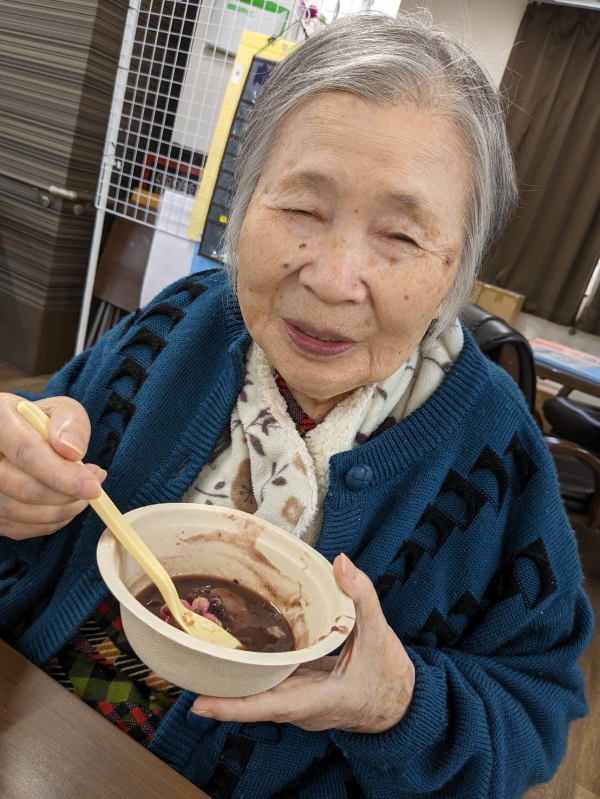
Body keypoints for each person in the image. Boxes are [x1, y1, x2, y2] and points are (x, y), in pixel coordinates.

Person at [0, 11, 592, 799]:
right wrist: (19, 477)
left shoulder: (497, 458)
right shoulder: (181, 321)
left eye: (402, 238)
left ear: (454, 270)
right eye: (303, 209)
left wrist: (395, 701)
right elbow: (42, 434)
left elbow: (535, 710)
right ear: (243, 211)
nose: (332, 278)